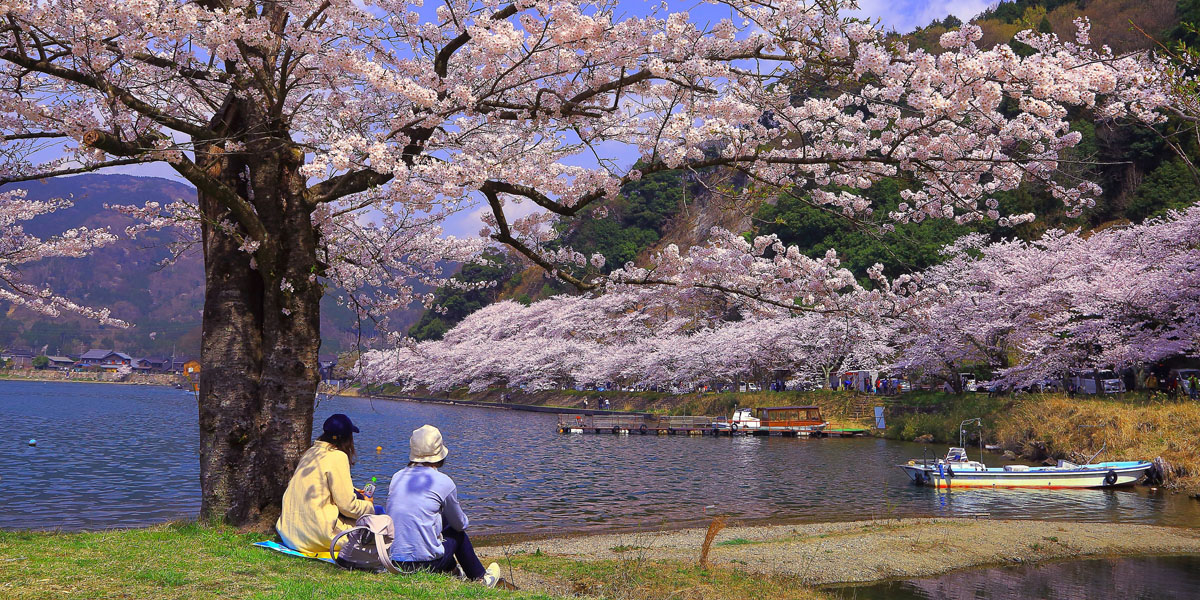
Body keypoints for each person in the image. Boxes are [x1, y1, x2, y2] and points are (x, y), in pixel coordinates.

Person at [385, 425, 509, 588]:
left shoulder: (397, 477)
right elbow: (460, 524)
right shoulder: (443, 482)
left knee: (434, 519)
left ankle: (454, 571)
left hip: (394, 563)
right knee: (456, 533)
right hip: (425, 565)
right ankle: (479, 578)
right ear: (439, 455)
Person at [277, 414, 376, 554]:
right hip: (317, 536)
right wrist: (368, 505)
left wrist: (353, 490)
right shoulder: (338, 456)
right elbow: (348, 507)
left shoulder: (311, 452)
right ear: (347, 439)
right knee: (377, 516)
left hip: (290, 534)